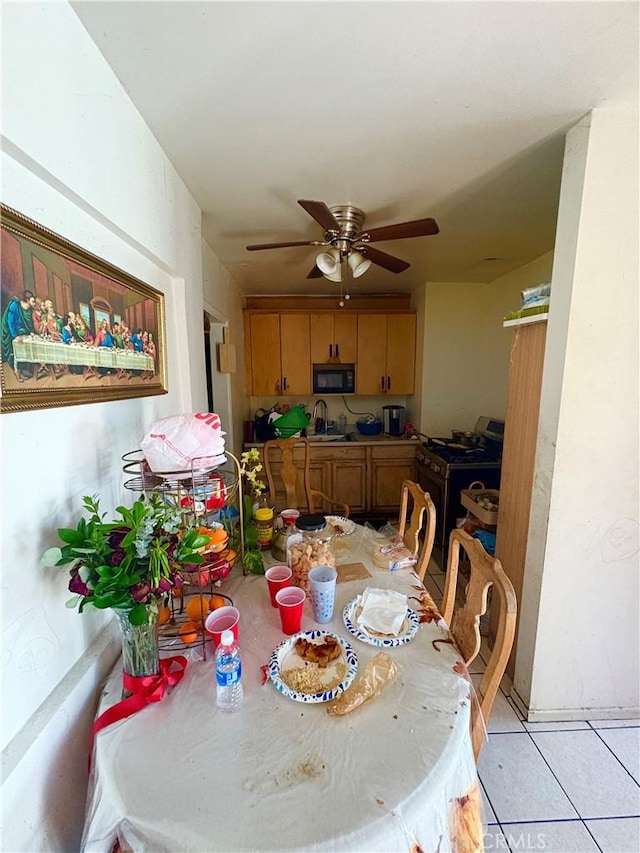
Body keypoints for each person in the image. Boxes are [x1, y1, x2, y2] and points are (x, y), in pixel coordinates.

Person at [1, 289, 36, 380]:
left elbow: (28, 323)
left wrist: (31, 331)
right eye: (33, 301)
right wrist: (15, 336)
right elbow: (10, 322)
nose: (34, 303)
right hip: (10, 331)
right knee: (15, 350)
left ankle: (22, 370)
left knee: (24, 348)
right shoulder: (15, 305)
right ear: (27, 300)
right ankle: (17, 371)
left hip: (21, 331)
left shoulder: (29, 309)